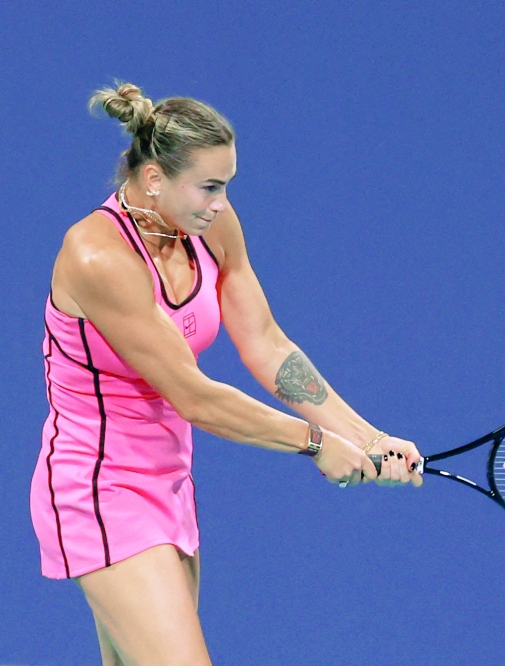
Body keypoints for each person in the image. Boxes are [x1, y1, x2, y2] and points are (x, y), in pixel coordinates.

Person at [28, 82, 422, 666]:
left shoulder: (208, 224)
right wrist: (314, 443)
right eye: (209, 186)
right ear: (155, 177)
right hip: (100, 487)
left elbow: (266, 344)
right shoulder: (97, 257)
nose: (220, 203)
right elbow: (195, 398)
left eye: (227, 186)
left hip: (167, 483)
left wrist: (368, 436)